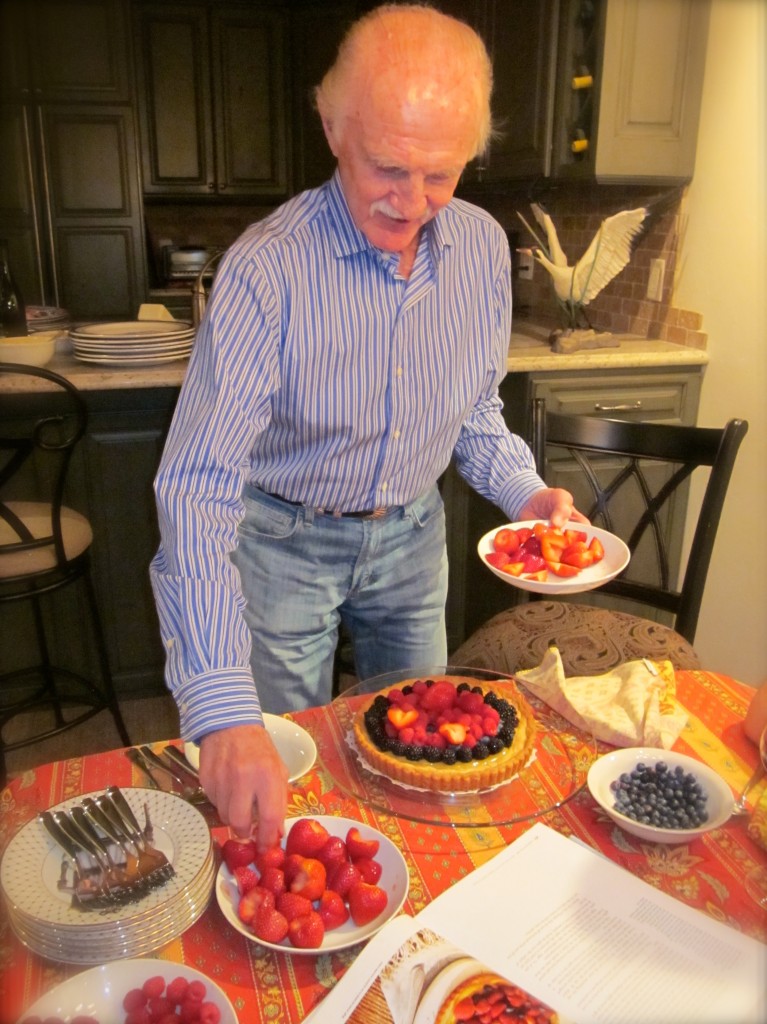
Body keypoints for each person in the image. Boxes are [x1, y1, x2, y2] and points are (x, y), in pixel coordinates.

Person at [150, 3, 586, 849]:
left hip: (413, 539)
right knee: (284, 766)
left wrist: (527, 494)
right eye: (388, 167)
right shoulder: (264, 271)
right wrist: (220, 700)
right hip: (280, 542)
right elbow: (199, 486)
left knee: (427, 750)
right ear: (331, 126)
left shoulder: (483, 249)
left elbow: (474, 409)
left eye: (442, 174)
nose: (414, 204)